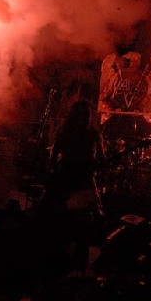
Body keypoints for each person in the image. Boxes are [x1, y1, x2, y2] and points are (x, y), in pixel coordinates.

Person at [47, 100, 106, 276]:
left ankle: (72, 264)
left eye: (88, 115)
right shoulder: (79, 133)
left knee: (81, 221)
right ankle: (71, 263)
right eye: (84, 115)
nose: (86, 118)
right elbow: (54, 156)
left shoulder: (89, 134)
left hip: (78, 179)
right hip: (74, 180)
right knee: (76, 221)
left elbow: (53, 156)